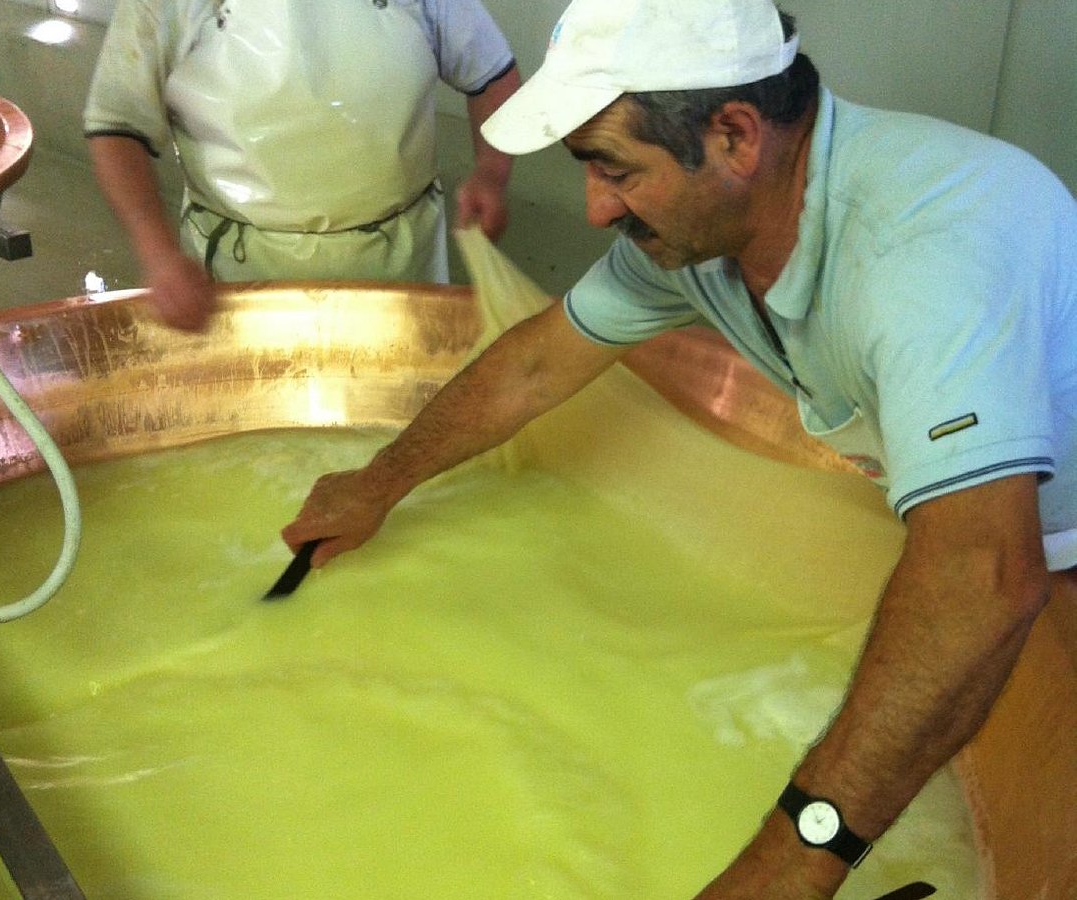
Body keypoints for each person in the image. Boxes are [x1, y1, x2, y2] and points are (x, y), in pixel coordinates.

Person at [281, 0, 1077, 896]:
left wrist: (788, 868)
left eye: (613, 169)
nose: (591, 209)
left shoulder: (929, 248)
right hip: (1001, 539)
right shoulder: (710, 235)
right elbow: (539, 365)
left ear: (735, 134)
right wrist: (377, 484)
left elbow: (983, 574)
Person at [83, 0, 521, 331]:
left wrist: (491, 173)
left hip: (402, 262)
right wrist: (159, 254)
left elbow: (492, 74)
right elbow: (116, 127)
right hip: (242, 272)